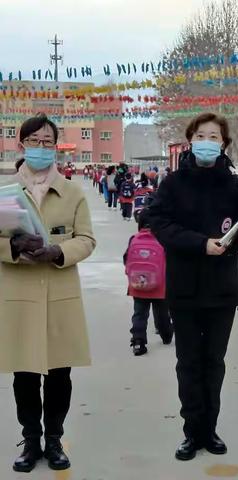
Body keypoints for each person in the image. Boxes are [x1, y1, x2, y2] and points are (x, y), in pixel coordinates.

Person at [147, 112, 238, 461]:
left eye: (215, 137)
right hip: (183, 286)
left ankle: (209, 429)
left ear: (224, 143)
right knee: (188, 361)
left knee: (214, 361)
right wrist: (200, 243)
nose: (207, 142)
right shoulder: (172, 184)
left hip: (222, 288)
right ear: (190, 140)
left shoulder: (236, 187)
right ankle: (190, 430)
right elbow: (160, 224)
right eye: (201, 135)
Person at [0, 114, 96, 472]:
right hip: (20, 294)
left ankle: (54, 440)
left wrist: (59, 252)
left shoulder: (72, 192)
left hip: (59, 294)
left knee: (59, 374)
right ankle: (31, 440)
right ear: (20, 145)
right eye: (34, 141)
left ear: (55, 147)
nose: (41, 148)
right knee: (24, 374)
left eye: (47, 142)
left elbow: (86, 240)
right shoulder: (5, 194)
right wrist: (14, 248)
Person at [124, 209, 174, 355]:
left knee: (139, 314)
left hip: (138, 286)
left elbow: (126, 259)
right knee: (162, 315)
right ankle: (166, 335)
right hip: (160, 286)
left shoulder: (134, 239)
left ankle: (138, 342)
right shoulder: (163, 239)